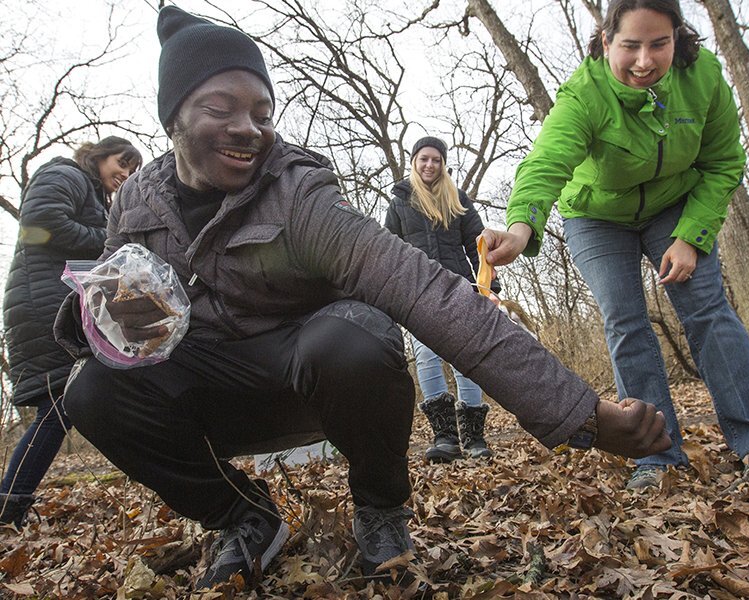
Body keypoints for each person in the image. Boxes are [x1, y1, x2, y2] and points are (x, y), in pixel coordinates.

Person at [55, 6, 670, 590]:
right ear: (173, 120)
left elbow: (431, 294)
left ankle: (380, 507)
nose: (248, 129)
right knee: (91, 390)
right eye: (221, 109)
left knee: (349, 341)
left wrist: (581, 414)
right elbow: (124, 315)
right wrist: (100, 321)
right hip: (216, 388)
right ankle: (242, 516)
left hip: (319, 379)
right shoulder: (134, 203)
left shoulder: (299, 197)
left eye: (262, 112)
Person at [481, 0, 749, 491]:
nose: (644, 61)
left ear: (679, 38)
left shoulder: (704, 77)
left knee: (707, 309)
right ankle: (655, 454)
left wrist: (691, 237)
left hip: (676, 204)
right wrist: (521, 227)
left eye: (659, 44)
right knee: (625, 319)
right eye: (630, 46)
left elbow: (722, 163)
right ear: (607, 42)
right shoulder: (584, 94)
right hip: (596, 215)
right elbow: (545, 164)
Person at [0, 137, 142, 528]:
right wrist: (109, 245)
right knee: (60, 404)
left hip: (57, 304)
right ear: (99, 155)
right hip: (43, 307)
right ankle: (8, 501)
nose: (125, 174)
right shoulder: (66, 172)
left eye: (132, 170)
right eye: (121, 162)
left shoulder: (94, 198)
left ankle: (11, 499)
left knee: (67, 403)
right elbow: (40, 224)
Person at [385, 136, 501, 462]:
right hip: (418, 293)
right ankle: (445, 438)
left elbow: (479, 245)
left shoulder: (458, 199)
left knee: (466, 362)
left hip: (461, 288)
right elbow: (388, 251)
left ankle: (475, 439)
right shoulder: (399, 203)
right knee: (427, 358)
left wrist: (489, 286)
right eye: (424, 159)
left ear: (443, 164)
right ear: (414, 162)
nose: (429, 165)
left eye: (436, 159)